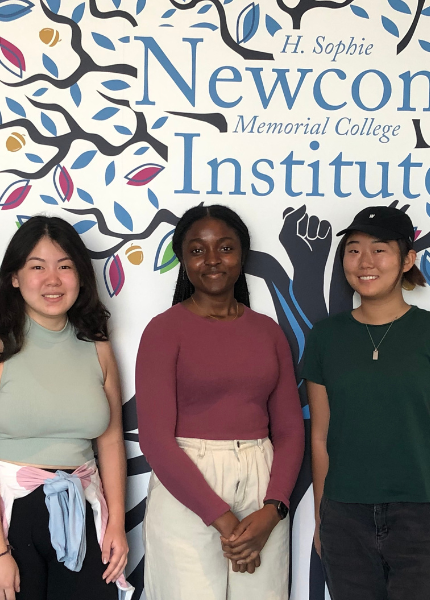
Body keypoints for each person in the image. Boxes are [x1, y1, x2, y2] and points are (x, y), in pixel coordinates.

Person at [0, 216, 131, 600]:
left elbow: (110, 444)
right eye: (37, 267)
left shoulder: (97, 347)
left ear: (80, 276)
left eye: (65, 266)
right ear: (14, 277)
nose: (53, 279)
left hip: (83, 511)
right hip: (8, 515)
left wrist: (116, 526)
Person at [303, 205, 430, 600]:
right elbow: (321, 436)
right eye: (353, 249)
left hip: (425, 515)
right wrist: (321, 519)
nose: (365, 261)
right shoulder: (325, 337)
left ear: (407, 260)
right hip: (345, 516)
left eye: (379, 249)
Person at [135, 204, 304, 600]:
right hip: (187, 486)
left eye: (225, 248)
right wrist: (224, 520)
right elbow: (156, 441)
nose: (212, 260)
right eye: (197, 250)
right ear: (183, 259)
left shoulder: (268, 332)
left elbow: (290, 431)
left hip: (263, 485)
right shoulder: (163, 331)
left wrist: (273, 510)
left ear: (241, 254)